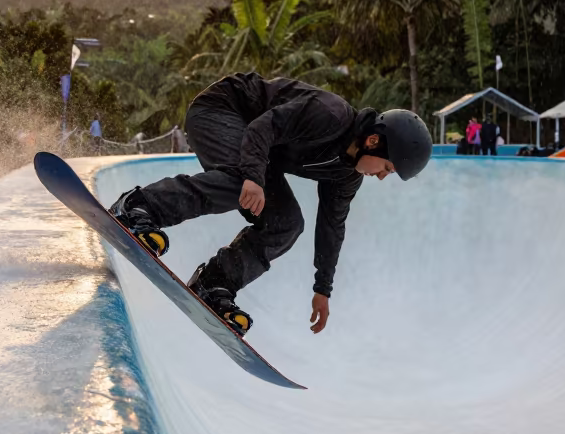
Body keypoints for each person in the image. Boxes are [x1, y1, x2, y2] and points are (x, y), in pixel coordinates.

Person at [109, 71, 432, 337]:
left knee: (287, 223)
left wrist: (323, 288)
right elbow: (264, 126)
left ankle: (215, 282)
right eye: (387, 168)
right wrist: (252, 175)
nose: (381, 177)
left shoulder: (347, 176)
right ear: (373, 141)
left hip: (259, 150)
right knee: (242, 182)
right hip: (222, 110)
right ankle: (140, 206)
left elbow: (332, 226)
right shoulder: (330, 114)